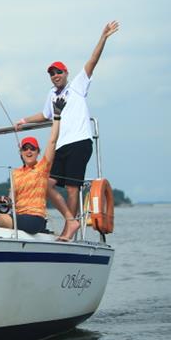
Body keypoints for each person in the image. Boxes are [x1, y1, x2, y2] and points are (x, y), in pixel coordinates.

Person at [15, 21, 119, 239]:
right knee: (45, 183)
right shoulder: (51, 94)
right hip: (61, 145)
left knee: (73, 188)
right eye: (52, 74)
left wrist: (104, 37)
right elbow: (45, 115)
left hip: (80, 142)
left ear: (65, 73)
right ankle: (71, 221)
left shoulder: (77, 86)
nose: (55, 76)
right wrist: (24, 120)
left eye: (58, 72)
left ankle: (69, 229)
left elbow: (93, 61)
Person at [0, 98, 74, 238]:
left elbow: (52, 141)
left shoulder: (42, 168)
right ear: (20, 152)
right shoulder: (15, 173)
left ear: (38, 152)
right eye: (25, 149)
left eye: (32, 149)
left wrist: (57, 117)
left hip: (35, 218)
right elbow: (11, 197)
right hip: (18, 216)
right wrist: (6, 202)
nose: (29, 151)